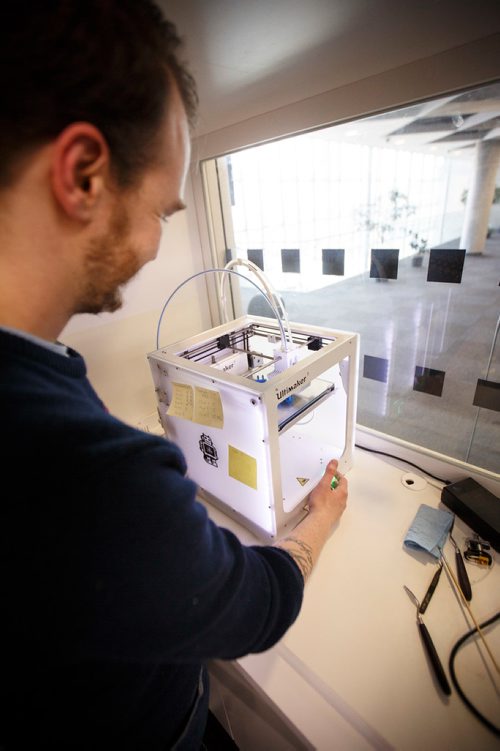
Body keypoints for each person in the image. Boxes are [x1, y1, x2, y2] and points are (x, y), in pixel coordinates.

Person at [0, 1, 348, 748]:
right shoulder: (85, 474)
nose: (161, 243)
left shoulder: (44, 395)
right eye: (162, 208)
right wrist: (320, 520)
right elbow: (258, 603)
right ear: (85, 173)